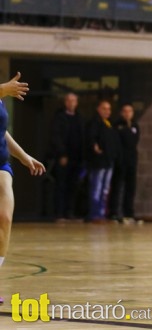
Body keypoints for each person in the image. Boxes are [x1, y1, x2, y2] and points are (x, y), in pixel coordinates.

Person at [0, 73, 46, 303]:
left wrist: (24, 156)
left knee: (5, 218)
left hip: (1, 164)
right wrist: (3, 89)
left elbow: (3, 132)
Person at [49, 92, 84, 221]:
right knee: (61, 185)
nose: (71, 103)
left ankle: (70, 212)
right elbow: (56, 137)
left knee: (73, 186)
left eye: (73, 100)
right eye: (69, 101)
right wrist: (62, 154)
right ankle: (59, 213)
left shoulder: (79, 118)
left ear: (77, 103)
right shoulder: (59, 117)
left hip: (77, 158)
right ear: (65, 102)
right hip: (63, 158)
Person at [85, 100, 120, 222]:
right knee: (97, 188)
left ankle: (101, 213)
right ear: (98, 109)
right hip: (98, 162)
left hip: (108, 162)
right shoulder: (94, 123)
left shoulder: (109, 124)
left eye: (109, 109)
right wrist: (95, 147)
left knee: (105, 189)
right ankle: (94, 214)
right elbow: (91, 139)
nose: (107, 111)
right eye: (104, 108)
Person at [109, 103, 139, 223]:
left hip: (132, 160)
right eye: (125, 111)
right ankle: (114, 212)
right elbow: (118, 141)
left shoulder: (135, 125)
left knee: (130, 187)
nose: (127, 114)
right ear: (121, 113)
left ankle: (129, 212)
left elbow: (134, 140)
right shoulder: (117, 125)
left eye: (130, 111)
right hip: (120, 161)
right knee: (117, 186)